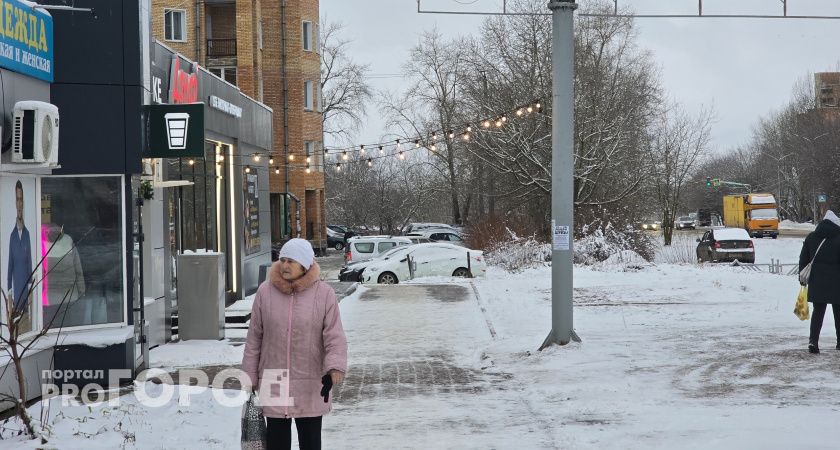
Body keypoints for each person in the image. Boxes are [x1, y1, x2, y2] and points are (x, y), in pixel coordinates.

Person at [241, 238, 348, 449]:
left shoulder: (324, 294)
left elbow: (334, 335)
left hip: (310, 381)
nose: (285, 265)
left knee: (310, 443)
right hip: (274, 380)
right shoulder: (265, 292)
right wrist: (249, 375)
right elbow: (255, 338)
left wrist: (334, 368)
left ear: (305, 265)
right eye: (283, 259)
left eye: (291, 260)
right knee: (276, 444)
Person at [799, 210, 840, 354]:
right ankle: (839, 342)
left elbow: (803, 259)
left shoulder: (811, 237)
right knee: (838, 313)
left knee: (818, 313)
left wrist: (802, 278)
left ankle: (813, 342)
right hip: (837, 283)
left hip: (817, 282)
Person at [7, 180, 32, 314]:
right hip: (17, 287)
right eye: (17, 200)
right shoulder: (12, 236)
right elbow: (10, 264)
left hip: (27, 290)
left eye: (21, 200)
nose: (20, 204)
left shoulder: (28, 234)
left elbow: (30, 262)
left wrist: (31, 285)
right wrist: (9, 286)